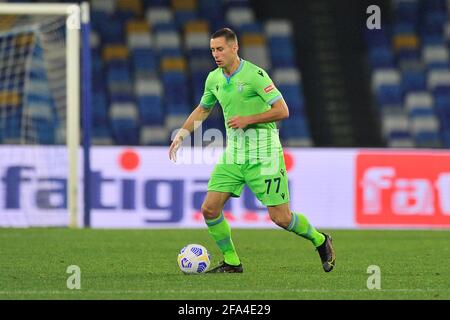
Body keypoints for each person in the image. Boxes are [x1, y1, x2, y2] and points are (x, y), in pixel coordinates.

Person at [169, 28, 335, 273]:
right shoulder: (213, 78)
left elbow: (282, 110)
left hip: (265, 155)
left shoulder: (255, 75)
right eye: (213, 50)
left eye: (220, 49)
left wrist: (249, 119)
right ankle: (232, 262)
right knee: (209, 209)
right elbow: (203, 109)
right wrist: (182, 134)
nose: (216, 54)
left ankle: (320, 240)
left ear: (234, 48)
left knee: (281, 218)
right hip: (234, 155)